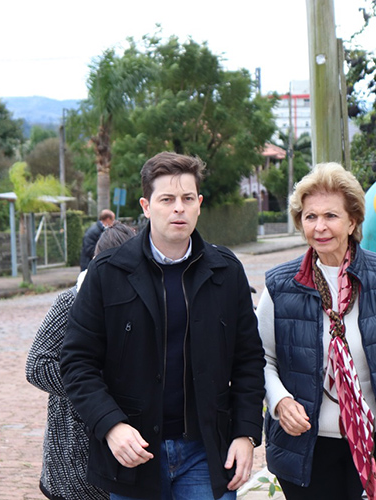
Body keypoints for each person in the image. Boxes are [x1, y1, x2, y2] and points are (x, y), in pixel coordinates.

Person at [60, 151, 265, 500]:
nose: (178, 209)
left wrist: (245, 434)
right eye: (167, 199)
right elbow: (77, 362)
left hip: (206, 451)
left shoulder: (226, 271)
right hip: (134, 452)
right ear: (146, 206)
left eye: (187, 199)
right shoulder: (108, 273)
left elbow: (248, 360)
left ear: (199, 204)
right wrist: (111, 425)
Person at [257, 163, 376, 500]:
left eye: (331, 215)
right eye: (310, 217)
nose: (320, 226)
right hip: (307, 449)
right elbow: (261, 359)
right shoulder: (280, 286)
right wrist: (279, 400)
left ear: (352, 221)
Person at [26, 221, 137, 500]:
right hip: (73, 450)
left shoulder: (140, 302)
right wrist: (91, 389)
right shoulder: (71, 302)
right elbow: (37, 364)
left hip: (125, 447)